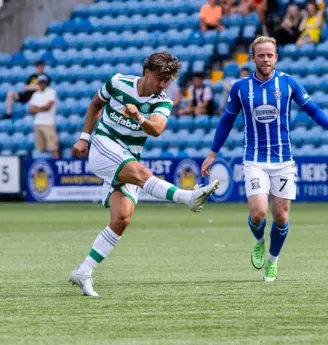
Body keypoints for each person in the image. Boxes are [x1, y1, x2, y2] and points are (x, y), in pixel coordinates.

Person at [68, 53, 220, 297]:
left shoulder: (163, 101)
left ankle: (83, 271)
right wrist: (84, 138)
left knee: (122, 219)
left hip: (128, 156)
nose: (162, 84)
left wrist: (139, 117)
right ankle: (187, 198)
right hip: (103, 146)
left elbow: (157, 129)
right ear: (146, 71)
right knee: (142, 174)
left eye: (167, 81)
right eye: (159, 78)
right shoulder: (117, 82)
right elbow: (96, 104)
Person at [201, 36, 328, 282]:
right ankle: (259, 240)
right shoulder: (240, 88)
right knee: (258, 213)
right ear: (253, 57)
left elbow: (311, 108)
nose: (265, 59)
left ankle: (273, 261)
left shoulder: (288, 83)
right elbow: (226, 121)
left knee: (281, 217)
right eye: (261, 55)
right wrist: (213, 153)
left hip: (283, 160)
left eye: (270, 55)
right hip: (254, 159)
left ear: (276, 57)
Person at [28, 75, 59, 158]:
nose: (42, 84)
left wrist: (37, 109)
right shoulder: (35, 94)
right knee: (41, 148)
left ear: (46, 83)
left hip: (48, 123)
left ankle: (55, 166)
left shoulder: (51, 92)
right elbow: (30, 109)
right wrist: (42, 108)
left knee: (53, 148)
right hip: (37, 123)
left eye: (43, 82)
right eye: (40, 82)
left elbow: (48, 106)